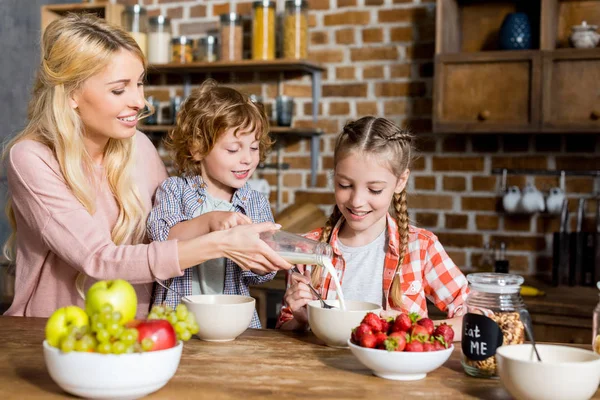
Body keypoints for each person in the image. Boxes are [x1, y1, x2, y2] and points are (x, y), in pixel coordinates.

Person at [3, 14, 290, 319]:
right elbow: (99, 259)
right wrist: (220, 243)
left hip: (141, 333)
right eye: (119, 89)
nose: (139, 101)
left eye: (139, 84)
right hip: (55, 332)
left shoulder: (138, 146)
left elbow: (168, 229)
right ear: (72, 93)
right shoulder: (31, 158)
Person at [276, 117, 469, 341]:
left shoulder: (422, 248)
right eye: (344, 185)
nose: (357, 201)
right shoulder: (307, 249)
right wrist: (301, 319)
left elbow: (475, 317)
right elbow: (284, 331)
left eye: (374, 189)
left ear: (400, 181)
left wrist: (409, 329)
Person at [147, 80, 276, 328]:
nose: (247, 159)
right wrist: (209, 221)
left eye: (253, 147)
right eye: (233, 149)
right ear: (197, 148)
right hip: (178, 322)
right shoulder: (175, 189)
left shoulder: (255, 202)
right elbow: (163, 239)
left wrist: (267, 261)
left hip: (234, 325)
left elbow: (260, 275)